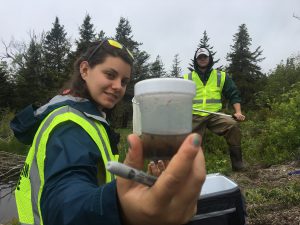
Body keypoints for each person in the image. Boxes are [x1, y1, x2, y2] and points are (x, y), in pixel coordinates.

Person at [11, 39, 206, 225]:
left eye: (124, 81)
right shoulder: (69, 124)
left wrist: (138, 184)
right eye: (110, 75)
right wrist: (120, 205)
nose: (118, 87)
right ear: (85, 70)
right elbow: (64, 205)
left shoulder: (89, 116)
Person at [183, 47, 246, 171]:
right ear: (196, 60)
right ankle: (195, 171)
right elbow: (179, 97)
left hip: (214, 115)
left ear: (209, 58)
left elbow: (233, 94)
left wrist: (238, 112)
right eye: (199, 57)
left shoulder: (221, 76)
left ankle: (238, 165)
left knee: (232, 126)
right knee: (192, 142)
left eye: (204, 57)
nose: (202, 59)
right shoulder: (187, 78)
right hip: (194, 115)